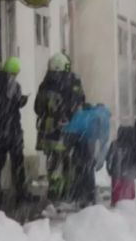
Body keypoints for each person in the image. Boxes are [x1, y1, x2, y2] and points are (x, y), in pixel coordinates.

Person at [35, 52, 86, 202]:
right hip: (67, 130)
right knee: (66, 160)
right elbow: (79, 101)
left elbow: (37, 108)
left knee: (53, 160)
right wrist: (67, 117)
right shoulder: (72, 82)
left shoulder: (45, 85)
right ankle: (67, 189)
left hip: (48, 130)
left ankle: (54, 188)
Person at [0, 57, 29, 208]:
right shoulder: (14, 85)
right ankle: (21, 195)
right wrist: (21, 101)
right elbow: (12, 104)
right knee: (17, 163)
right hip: (12, 130)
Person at [64, 103, 111, 207]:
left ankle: (79, 196)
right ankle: (89, 196)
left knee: (80, 171)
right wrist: (99, 158)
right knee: (88, 171)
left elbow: (69, 131)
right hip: (90, 145)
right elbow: (104, 138)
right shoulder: (101, 116)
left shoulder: (82, 117)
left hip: (80, 144)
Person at [107, 126, 136, 205]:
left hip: (116, 174)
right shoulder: (135, 146)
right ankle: (128, 208)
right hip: (130, 175)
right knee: (129, 195)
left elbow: (109, 158)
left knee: (116, 194)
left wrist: (109, 169)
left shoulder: (115, 144)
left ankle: (116, 207)